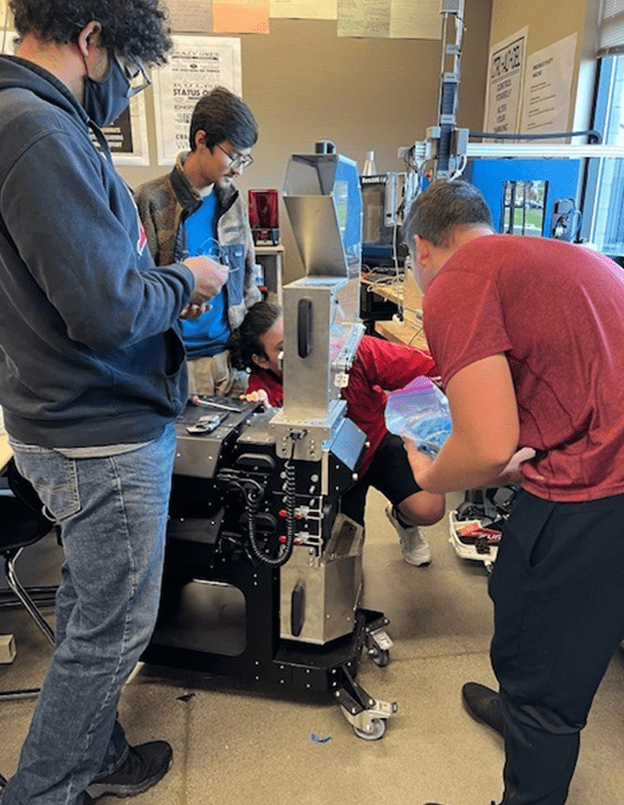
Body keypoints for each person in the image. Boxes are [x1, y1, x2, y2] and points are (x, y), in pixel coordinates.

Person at [0, 2, 225, 803]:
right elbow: (103, 311)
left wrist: (157, 291)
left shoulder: (40, 120)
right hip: (99, 430)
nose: (127, 89)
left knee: (99, 604)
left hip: (74, 413)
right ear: (92, 39)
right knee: (111, 629)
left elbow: (90, 281)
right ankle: (45, 789)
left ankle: (95, 753)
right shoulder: (37, 132)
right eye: (129, 69)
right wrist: (185, 283)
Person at [400, 179, 624, 805]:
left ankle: (531, 736)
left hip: (594, 493)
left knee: (548, 676)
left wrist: (429, 472)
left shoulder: (456, 284)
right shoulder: (561, 256)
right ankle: (517, 706)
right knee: (518, 595)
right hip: (606, 470)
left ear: (421, 247)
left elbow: (486, 449)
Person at [227, 301, 446, 565]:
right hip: (330, 472)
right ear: (261, 360)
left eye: (302, 340)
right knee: (340, 558)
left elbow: (422, 367)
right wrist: (262, 415)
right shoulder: (264, 392)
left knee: (429, 509)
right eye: (284, 350)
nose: (303, 355)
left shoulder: (349, 352)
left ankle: (404, 522)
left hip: (374, 442)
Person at [135, 86, 262, 398]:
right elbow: (136, 290)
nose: (238, 169)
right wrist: (175, 305)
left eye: (246, 159)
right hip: (177, 366)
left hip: (231, 365)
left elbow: (248, 281)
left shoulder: (234, 203)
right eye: (233, 156)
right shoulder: (150, 200)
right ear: (201, 140)